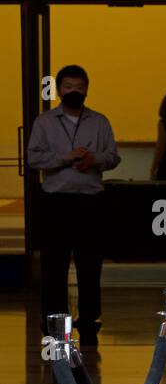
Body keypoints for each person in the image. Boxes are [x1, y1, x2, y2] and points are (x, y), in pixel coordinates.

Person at [25, 64, 121, 346]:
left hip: (91, 203)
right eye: (68, 87)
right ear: (59, 90)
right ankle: (54, 322)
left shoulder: (100, 121)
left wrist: (95, 160)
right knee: (53, 265)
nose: (74, 92)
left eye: (79, 87)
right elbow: (33, 159)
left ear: (87, 89)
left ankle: (89, 321)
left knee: (90, 266)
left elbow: (113, 156)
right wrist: (65, 158)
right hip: (56, 203)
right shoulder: (44, 123)